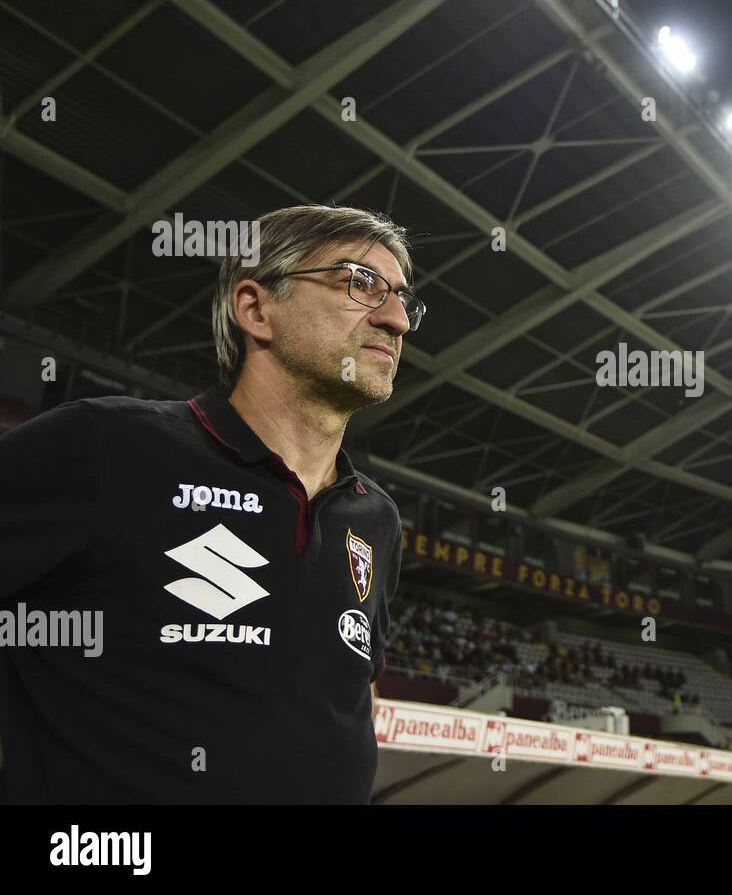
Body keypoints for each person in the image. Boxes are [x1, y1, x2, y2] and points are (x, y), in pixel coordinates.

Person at [0, 204, 421, 803]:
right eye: (361, 283)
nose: (397, 319)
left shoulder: (375, 518)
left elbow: (350, 689)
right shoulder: (107, 446)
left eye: (404, 298)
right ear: (255, 308)